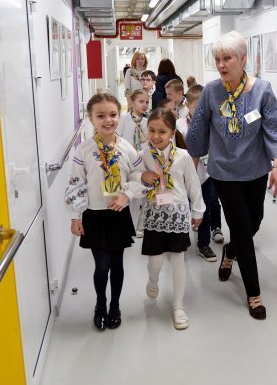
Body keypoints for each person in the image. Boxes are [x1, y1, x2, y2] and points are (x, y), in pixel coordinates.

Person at [186, 30, 277, 320]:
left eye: (227, 58)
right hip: (224, 173)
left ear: (243, 59)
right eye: (217, 59)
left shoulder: (262, 90)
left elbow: (274, 129)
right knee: (242, 229)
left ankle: (230, 251)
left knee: (254, 221)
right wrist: (189, 170)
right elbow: (198, 132)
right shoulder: (211, 91)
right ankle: (254, 294)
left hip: (255, 171)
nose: (221, 65)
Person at [64, 93, 145, 331]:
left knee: (117, 264)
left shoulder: (127, 148)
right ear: (91, 119)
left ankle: (115, 307)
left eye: (112, 114)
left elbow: (138, 177)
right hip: (94, 215)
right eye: (101, 116)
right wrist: (75, 216)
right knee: (102, 266)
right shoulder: (84, 150)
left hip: (118, 215)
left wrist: (126, 195)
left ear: (119, 115)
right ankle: (100, 305)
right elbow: (76, 183)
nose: (108, 120)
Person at [136, 108, 205, 330]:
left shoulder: (182, 156)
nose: (156, 136)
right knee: (155, 262)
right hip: (155, 214)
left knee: (177, 261)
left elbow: (193, 184)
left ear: (173, 133)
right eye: (152, 130)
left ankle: (178, 306)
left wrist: (198, 211)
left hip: (177, 214)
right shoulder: (143, 155)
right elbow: (134, 180)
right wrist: (142, 177)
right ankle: (153, 280)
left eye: (162, 131)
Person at [176, 84, 217, 262]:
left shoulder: (212, 124)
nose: (201, 112)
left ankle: (204, 244)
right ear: (187, 105)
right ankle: (181, 240)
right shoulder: (179, 125)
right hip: (184, 175)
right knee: (183, 207)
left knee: (204, 208)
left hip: (205, 174)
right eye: (196, 107)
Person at [117, 89, 150, 238]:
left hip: (141, 162)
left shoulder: (147, 122)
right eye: (141, 101)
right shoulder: (124, 119)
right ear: (132, 103)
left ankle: (137, 225)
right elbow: (117, 139)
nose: (144, 105)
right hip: (125, 161)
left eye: (147, 102)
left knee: (140, 193)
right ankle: (126, 225)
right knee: (126, 192)